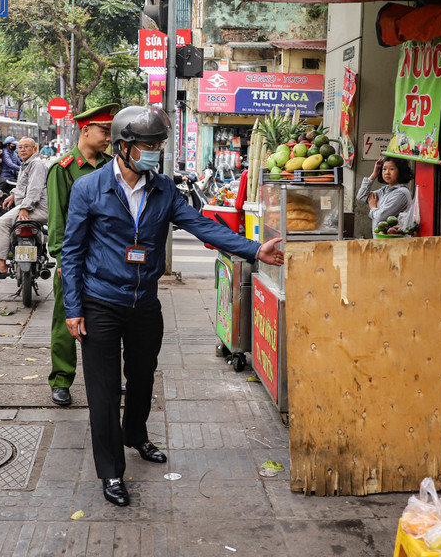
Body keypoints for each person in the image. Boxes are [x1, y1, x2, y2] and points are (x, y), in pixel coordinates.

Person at [59, 106, 284, 507]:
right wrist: (73, 309)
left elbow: (203, 225)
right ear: (123, 147)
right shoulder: (89, 188)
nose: (155, 153)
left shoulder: (163, 189)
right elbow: (72, 253)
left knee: (143, 376)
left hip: (144, 302)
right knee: (104, 390)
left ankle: (136, 435)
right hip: (100, 303)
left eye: (159, 145)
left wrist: (253, 250)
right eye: (149, 145)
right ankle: (110, 471)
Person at [46, 103, 116, 407]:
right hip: (74, 259)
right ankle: (61, 379)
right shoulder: (62, 170)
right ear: (85, 131)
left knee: (106, 321)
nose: (109, 138)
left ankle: (107, 379)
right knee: (66, 320)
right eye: (104, 131)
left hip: (106, 259)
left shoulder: (111, 166)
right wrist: (62, 259)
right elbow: (57, 221)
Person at [0, 137, 48, 280]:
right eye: (20, 147)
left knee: (0, 225)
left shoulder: (36, 164)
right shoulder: (26, 164)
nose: (22, 150)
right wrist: (13, 196)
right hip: (29, 206)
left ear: (35, 149)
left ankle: (1, 265)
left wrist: (25, 209)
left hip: (36, 208)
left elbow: (35, 189)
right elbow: (22, 185)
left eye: (26, 147)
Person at [356, 156, 414, 226]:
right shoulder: (385, 190)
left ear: (401, 171)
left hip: (394, 237)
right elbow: (361, 197)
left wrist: (373, 208)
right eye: (384, 169)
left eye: (391, 169)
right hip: (379, 236)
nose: (387, 172)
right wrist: (373, 175)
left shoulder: (401, 193)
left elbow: (381, 217)